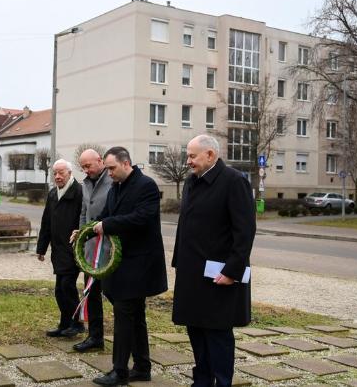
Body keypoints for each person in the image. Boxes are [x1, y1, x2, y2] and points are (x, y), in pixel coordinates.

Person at [172, 134, 255, 387]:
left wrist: (232, 271)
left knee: (217, 332)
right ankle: (203, 380)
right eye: (188, 155)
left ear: (210, 155)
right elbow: (186, 225)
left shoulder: (233, 181)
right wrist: (179, 262)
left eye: (192, 156)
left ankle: (222, 381)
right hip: (191, 273)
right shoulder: (191, 182)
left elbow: (245, 231)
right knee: (195, 328)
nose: (188, 161)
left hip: (219, 276)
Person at [91, 147, 167, 386]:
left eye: (112, 168)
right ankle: (142, 367)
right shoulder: (116, 187)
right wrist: (85, 230)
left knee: (124, 316)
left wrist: (107, 225)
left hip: (140, 264)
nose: (109, 173)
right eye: (107, 169)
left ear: (126, 164)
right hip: (120, 264)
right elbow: (103, 216)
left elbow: (141, 218)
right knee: (135, 317)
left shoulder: (146, 185)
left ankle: (119, 371)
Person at [36, 159, 85, 338]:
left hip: (74, 249)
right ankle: (65, 324)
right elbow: (46, 222)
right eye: (55, 173)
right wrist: (41, 248)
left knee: (67, 286)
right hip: (58, 250)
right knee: (60, 289)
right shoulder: (52, 194)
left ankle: (77, 324)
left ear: (70, 173)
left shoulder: (79, 192)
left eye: (61, 173)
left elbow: (85, 219)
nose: (57, 176)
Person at [71, 148, 112, 352]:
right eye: (83, 167)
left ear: (100, 160)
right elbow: (84, 212)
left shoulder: (113, 180)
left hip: (110, 250)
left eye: (88, 166)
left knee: (115, 296)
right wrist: (81, 233)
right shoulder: (86, 184)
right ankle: (95, 337)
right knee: (91, 294)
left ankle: (127, 337)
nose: (86, 170)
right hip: (90, 251)